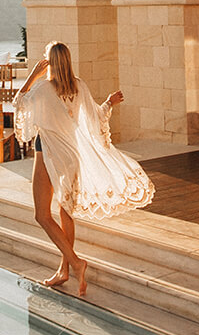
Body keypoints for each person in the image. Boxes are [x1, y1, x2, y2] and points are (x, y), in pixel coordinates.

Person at [13, 42, 155, 295]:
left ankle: (77, 263)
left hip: (49, 152)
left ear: (49, 62)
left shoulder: (43, 88)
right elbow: (95, 118)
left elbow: (19, 103)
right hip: (72, 155)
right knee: (65, 211)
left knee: (42, 215)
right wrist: (109, 102)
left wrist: (33, 74)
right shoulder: (78, 85)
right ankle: (64, 270)